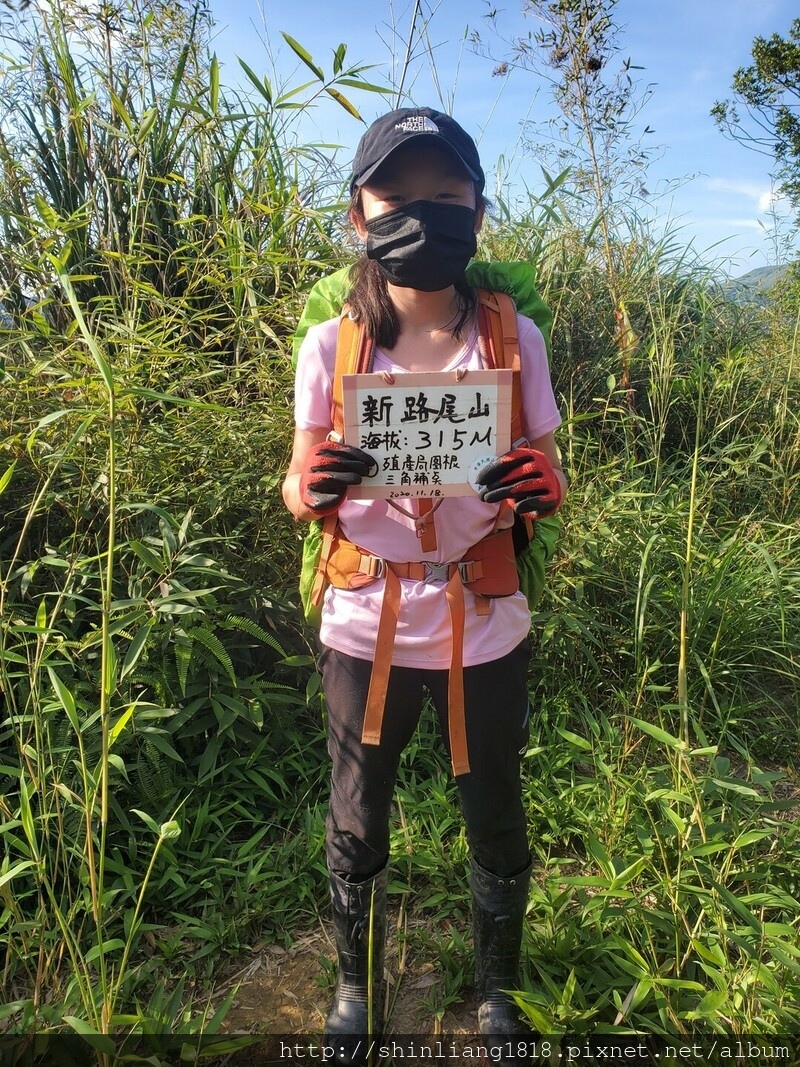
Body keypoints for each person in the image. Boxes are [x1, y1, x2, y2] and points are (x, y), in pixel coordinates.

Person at [281, 107, 566, 1061]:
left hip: (482, 615)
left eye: (446, 196)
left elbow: (549, 468)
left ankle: (499, 995)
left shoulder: (512, 337)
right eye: (398, 197)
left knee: (494, 802)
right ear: (359, 215)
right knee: (357, 804)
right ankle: (356, 989)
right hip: (365, 616)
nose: (424, 215)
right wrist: (310, 485)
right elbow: (295, 479)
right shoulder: (334, 346)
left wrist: (539, 484)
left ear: (478, 210)